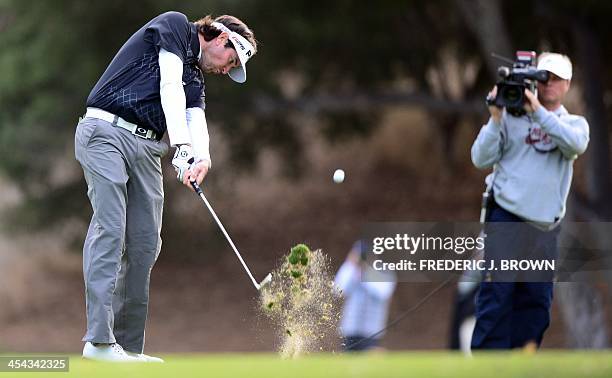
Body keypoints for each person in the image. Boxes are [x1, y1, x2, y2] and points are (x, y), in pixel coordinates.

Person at [74, 11, 257, 362]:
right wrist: (181, 146)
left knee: (145, 243)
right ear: (221, 39)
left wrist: (200, 157)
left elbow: (194, 117)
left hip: (146, 148)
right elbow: (168, 84)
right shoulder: (175, 26)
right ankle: (98, 342)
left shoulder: (196, 79)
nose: (225, 69)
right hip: (105, 133)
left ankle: (125, 349)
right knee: (111, 228)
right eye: (230, 60)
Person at [470, 53, 589, 350]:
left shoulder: (574, 124)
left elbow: (574, 145)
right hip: (506, 218)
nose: (549, 84)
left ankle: (521, 362)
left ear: (568, 85)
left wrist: (537, 112)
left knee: (535, 302)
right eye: (544, 77)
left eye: (556, 79)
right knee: (497, 295)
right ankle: (487, 367)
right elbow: (480, 158)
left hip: (544, 228)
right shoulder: (509, 118)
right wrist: (495, 119)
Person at [334, 241, 396, 352]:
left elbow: (383, 293)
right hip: (350, 328)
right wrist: (350, 265)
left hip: (371, 330)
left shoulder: (382, 271)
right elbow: (338, 290)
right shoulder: (350, 270)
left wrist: (365, 274)